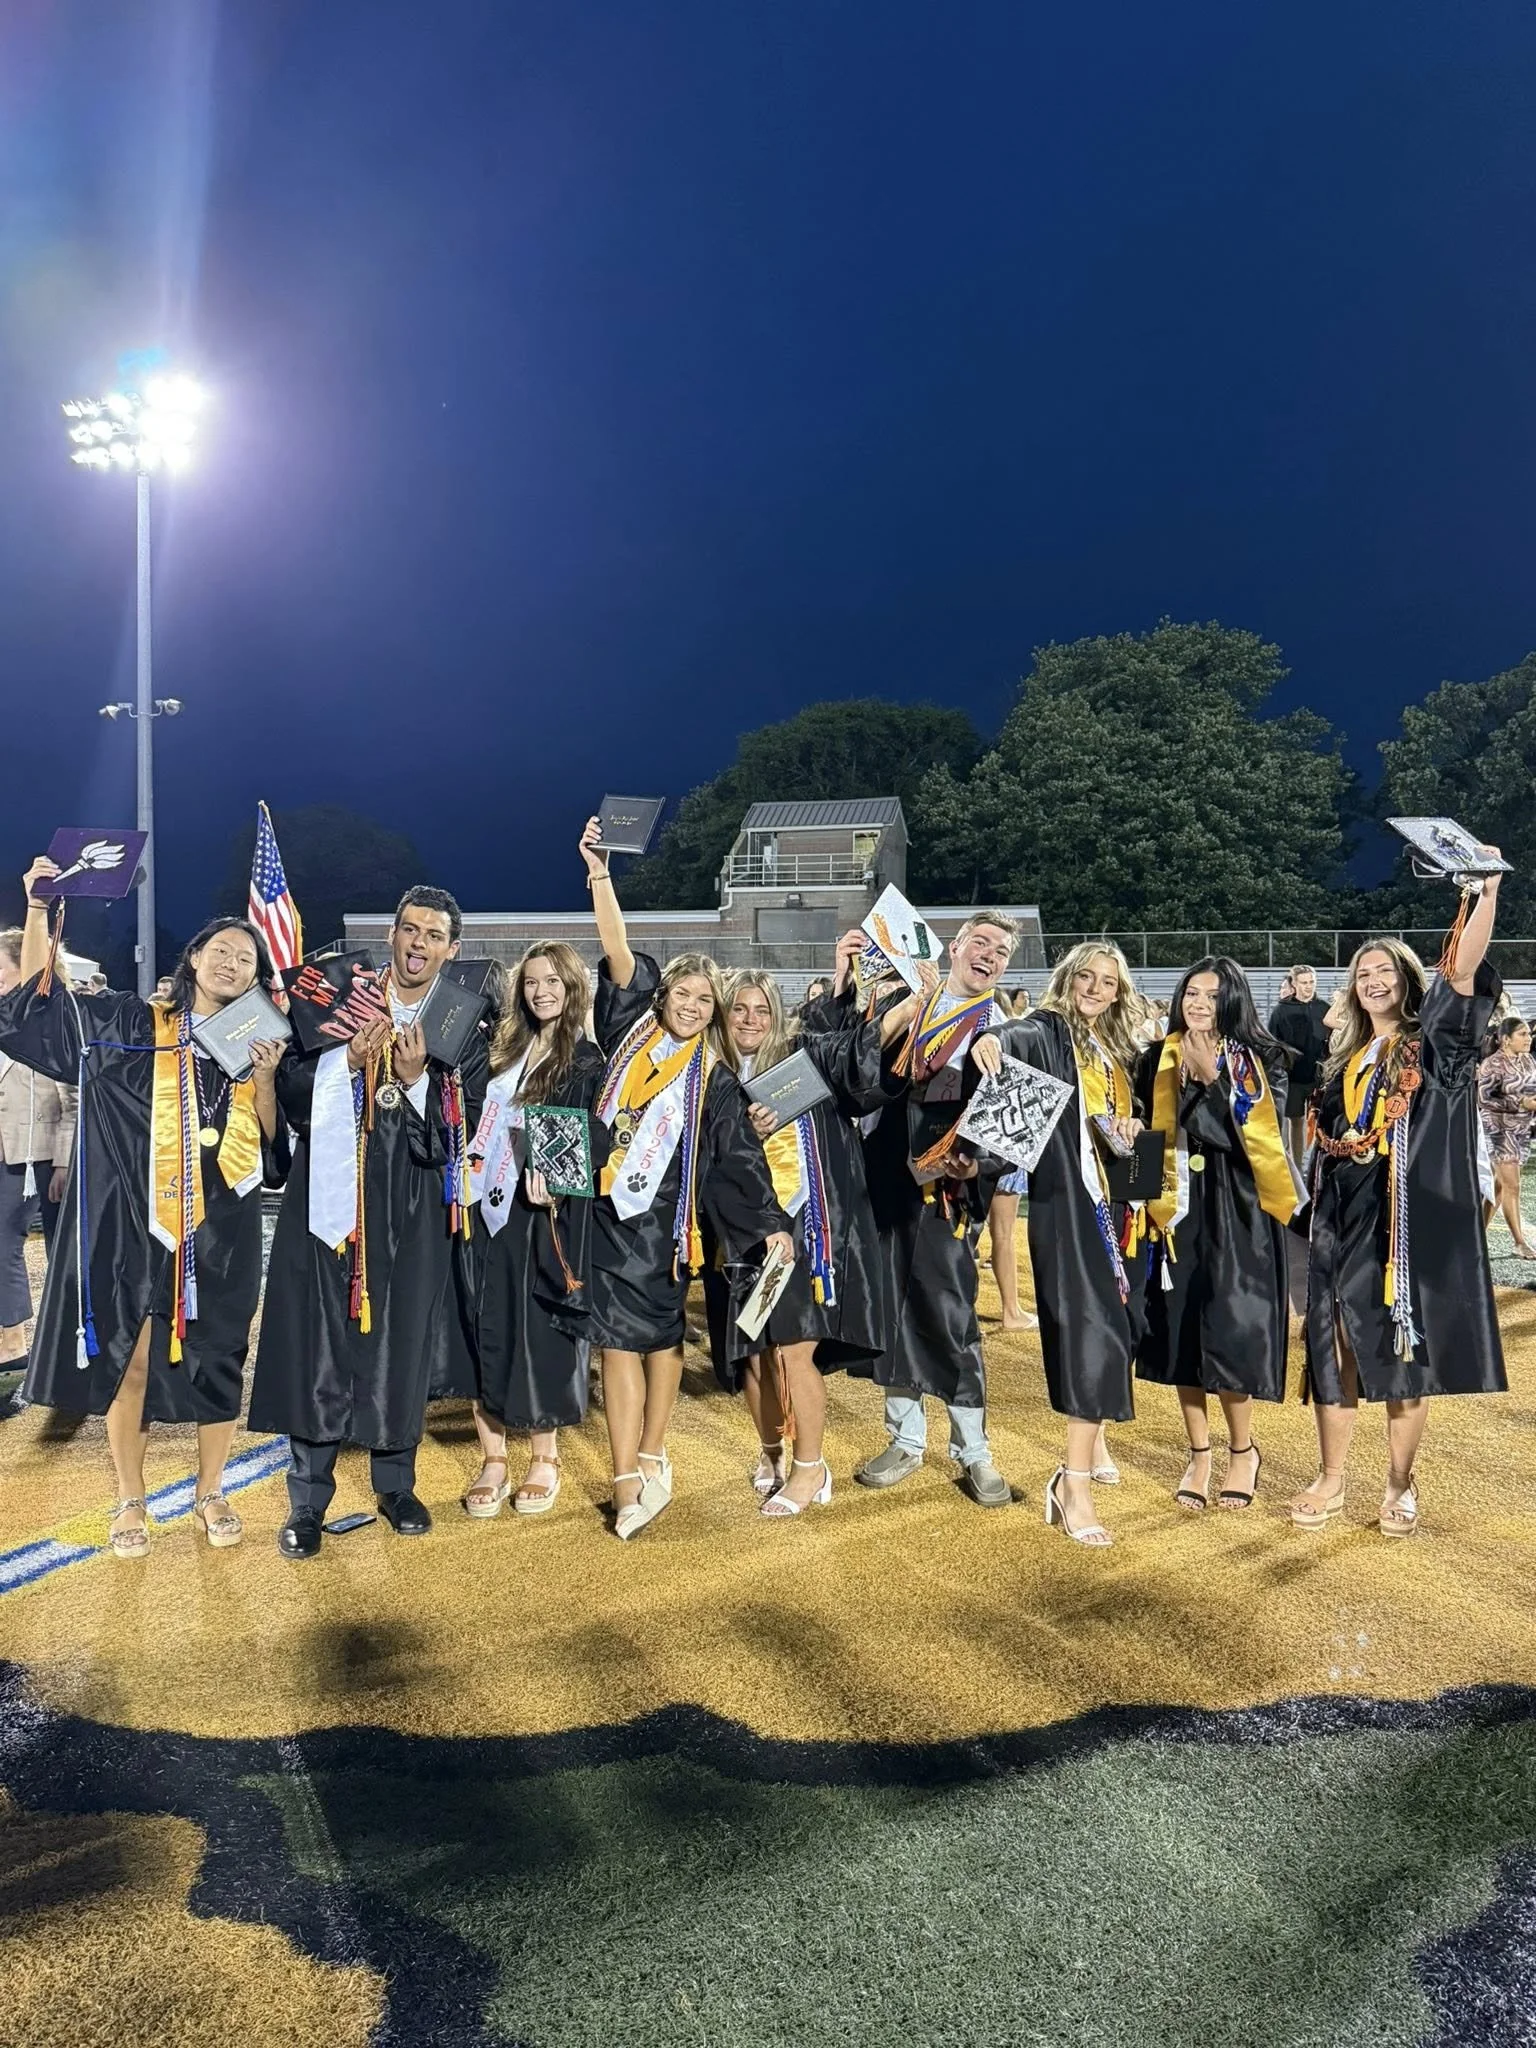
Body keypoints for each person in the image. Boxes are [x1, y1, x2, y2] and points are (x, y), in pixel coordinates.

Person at [0, 861, 287, 1557]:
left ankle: (209, 1490)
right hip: (136, 1219)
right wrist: (41, 911)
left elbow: (275, 1150)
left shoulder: (257, 1046)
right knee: (132, 1358)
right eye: (219, 948)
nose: (230, 961)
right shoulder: (130, 1022)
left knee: (220, 1358)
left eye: (245, 958)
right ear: (191, 958)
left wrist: (269, 1078)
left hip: (224, 1227)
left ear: (255, 979)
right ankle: (130, 1499)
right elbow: (37, 1014)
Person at [250, 888, 489, 1557]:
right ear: (392, 935)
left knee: (401, 1340)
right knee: (319, 1340)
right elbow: (290, 1094)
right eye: (408, 929)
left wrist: (415, 1082)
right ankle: (307, 1501)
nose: (417, 943)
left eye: (432, 935)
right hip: (328, 1196)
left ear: (452, 949)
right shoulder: (337, 997)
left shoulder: (463, 1019)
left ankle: (396, 1483)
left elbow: (464, 1132)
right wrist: (344, 1062)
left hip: (412, 1204)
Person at [578, 820, 792, 1539]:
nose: (693, 1006)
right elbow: (614, 952)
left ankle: (654, 1450)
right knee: (614, 1345)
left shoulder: (718, 1082)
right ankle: (626, 1478)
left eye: (708, 1001)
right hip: (611, 1217)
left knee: (662, 1343)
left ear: (715, 1013)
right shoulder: (624, 1036)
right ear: (664, 995)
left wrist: (770, 1225)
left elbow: (736, 1160)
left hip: (668, 1230)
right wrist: (600, 874)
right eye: (685, 994)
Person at [1291, 864, 1507, 1538]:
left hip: (1397, 1225)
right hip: (1337, 1219)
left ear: (1408, 981)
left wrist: (1485, 893)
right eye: (1362, 973)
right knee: (1331, 1346)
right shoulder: (1345, 1056)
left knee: (1399, 1352)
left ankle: (1397, 1482)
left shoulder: (1431, 1043)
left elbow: (1462, 976)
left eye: (1384, 970)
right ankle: (1330, 1477)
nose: (1373, 979)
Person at [846, 913, 1022, 1509]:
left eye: (1001, 951)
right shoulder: (910, 1002)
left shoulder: (1006, 1028)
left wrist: (979, 1169)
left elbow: (1010, 1130)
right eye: (981, 943)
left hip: (948, 1192)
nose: (990, 956)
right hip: (887, 1177)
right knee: (891, 1308)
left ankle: (973, 1449)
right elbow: (862, 1075)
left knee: (951, 1315)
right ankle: (905, 1438)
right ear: (955, 947)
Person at [976, 941, 1150, 1545]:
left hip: (1118, 1206)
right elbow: (1018, 1036)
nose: (1097, 989)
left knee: (1117, 1330)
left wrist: (1134, 1131)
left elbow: (1137, 1146)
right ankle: (1070, 1484)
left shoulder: (1118, 1051)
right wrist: (993, 1041)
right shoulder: (1050, 1029)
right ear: (1068, 979)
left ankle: (1093, 1436)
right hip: (1068, 1206)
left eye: (1109, 982)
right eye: (1087, 977)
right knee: (1092, 1334)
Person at [708, 968, 885, 1515]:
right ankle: (772, 1453)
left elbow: (854, 1052)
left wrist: (878, 996)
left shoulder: (799, 1063)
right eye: (740, 1009)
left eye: (762, 1010)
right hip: (739, 1234)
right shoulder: (710, 1074)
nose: (751, 1020)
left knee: (794, 1349)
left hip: (801, 1229)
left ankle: (811, 1467)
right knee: (755, 1358)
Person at [1136, 958, 1301, 1512]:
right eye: (1191, 993)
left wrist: (1211, 1080)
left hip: (1240, 1212)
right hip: (1176, 1213)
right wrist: (1130, 1200)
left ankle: (1242, 1451)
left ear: (1232, 1001)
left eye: (1212, 994)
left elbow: (1257, 1144)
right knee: (1181, 1327)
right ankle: (1199, 1452)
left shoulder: (1265, 1061)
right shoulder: (1154, 1060)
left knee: (1232, 1327)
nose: (1199, 1002)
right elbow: (1140, 1139)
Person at [460, 943, 605, 1517]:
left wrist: (558, 1171)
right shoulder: (503, 1050)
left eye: (553, 982)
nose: (540, 991)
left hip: (537, 1213)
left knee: (538, 1328)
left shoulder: (586, 1058)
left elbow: (596, 1128)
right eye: (531, 982)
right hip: (483, 1204)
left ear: (572, 989)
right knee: (483, 1322)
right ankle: (493, 1456)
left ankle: (544, 1456)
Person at [0, 928, 75, 1367]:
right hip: (7, 1157)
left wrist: (64, 1162)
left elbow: (74, 1097)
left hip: (46, 1157)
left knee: (59, 1252)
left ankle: (67, 1340)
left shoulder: (54, 1020)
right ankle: (13, 1341)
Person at [1478, 1015, 1536, 1257]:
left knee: (1500, 1186)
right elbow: (1483, 1097)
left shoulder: (1528, 1062)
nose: (1528, 1038)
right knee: (1512, 1185)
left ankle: (1478, 1234)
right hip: (1498, 1129)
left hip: (1520, 1130)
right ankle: (1519, 1242)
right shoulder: (1492, 1064)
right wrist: (1520, 1102)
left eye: (1528, 1034)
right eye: (1522, 1034)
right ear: (1505, 1039)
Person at [1269, 966, 1329, 1169]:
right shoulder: (1281, 1010)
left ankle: (1320, 1163)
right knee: (1295, 1121)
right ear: (1293, 984)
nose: (1308, 987)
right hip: (1292, 1075)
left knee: (1321, 1121)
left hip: (1319, 1075)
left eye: (1312, 982)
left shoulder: (1324, 1008)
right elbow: (1273, 1042)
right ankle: (1296, 1166)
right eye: (1304, 982)